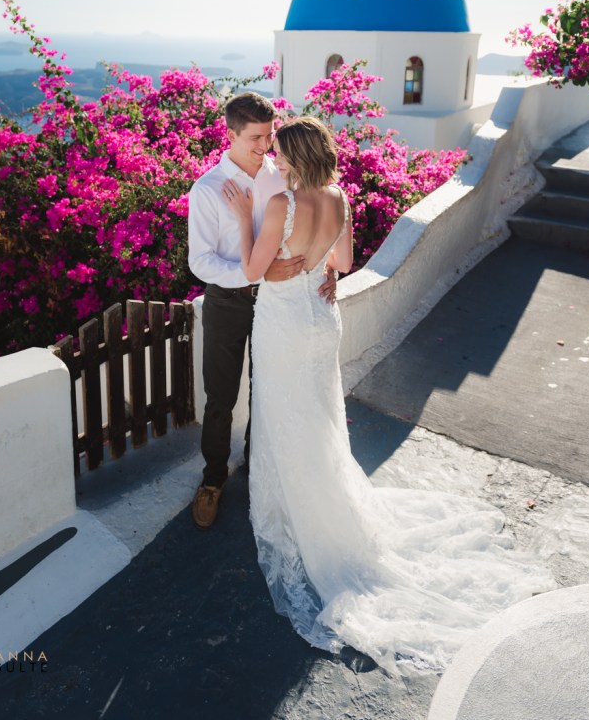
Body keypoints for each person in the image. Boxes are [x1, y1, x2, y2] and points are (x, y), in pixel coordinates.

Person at [223, 116, 552, 678]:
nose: (273, 160)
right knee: (319, 421)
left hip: (283, 325)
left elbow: (254, 272)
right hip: (322, 322)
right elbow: (344, 266)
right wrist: (318, 272)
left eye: (280, 153)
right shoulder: (339, 198)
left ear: (297, 159)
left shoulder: (281, 203)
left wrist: (238, 216)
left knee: (286, 422)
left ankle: (301, 519)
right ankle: (326, 512)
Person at [187, 92, 335, 530]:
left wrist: (328, 270)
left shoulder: (283, 175)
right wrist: (255, 274)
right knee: (221, 396)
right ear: (229, 134)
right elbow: (200, 261)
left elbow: (313, 221)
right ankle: (213, 481)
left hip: (279, 305)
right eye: (254, 138)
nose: (264, 147)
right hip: (229, 302)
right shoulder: (208, 189)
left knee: (267, 389)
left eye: (269, 136)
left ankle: (257, 470)